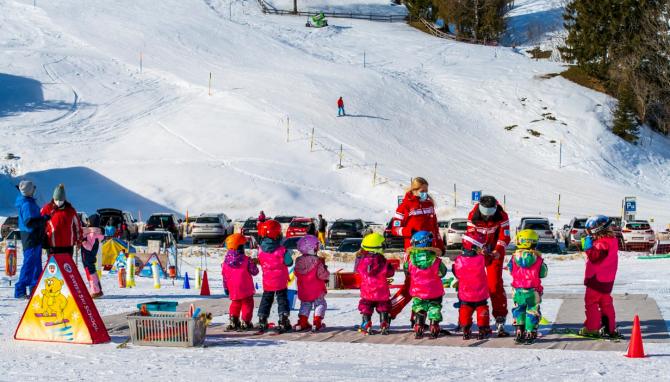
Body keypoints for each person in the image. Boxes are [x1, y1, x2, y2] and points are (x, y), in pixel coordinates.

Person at [467, 194, 511, 336]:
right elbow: (471, 236)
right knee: (472, 284)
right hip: (478, 253)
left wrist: (498, 250)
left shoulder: (502, 215)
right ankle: (467, 318)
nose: (487, 218)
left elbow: (505, 236)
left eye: (490, 215)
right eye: (484, 215)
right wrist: (477, 249)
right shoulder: (472, 215)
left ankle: (500, 315)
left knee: (494, 284)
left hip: (495, 253)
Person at [579, 215, 621, 339]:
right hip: (607, 281)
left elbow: (595, 257)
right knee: (606, 303)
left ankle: (592, 328)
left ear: (596, 230)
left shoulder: (602, 243)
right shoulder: (612, 241)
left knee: (591, 303)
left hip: (596, 280)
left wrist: (588, 247)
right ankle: (610, 328)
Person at [403, 231, 447, 339]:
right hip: (434, 291)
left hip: (417, 291)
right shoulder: (436, 261)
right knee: (434, 307)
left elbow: (406, 271)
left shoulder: (410, 260)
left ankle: (418, 326)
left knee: (419, 307)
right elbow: (443, 272)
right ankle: (434, 326)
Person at [508, 229, 548, 344]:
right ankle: (530, 332)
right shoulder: (538, 259)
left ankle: (519, 331)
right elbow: (543, 273)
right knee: (532, 310)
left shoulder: (514, 258)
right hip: (533, 291)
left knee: (519, 309)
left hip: (518, 290)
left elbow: (511, 270)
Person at [453, 230, 491, 340]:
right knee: (482, 308)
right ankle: (483, 328)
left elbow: (457, 273)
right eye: (480, 247)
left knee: (465, 309)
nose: (482, 249)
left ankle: (465, 328)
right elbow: (489, 261)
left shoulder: (459, 260)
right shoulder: (481, 258)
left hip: (465, 293)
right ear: (474, 247)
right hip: (481, 293)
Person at [256, 219, 293, 333]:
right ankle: (283, 319)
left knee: (266, 298)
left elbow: (260, 261)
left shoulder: (260, 250)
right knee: (282, 299)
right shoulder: (282, 250)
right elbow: (289, 262)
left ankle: (262, 319)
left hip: (267, 279)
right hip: (280, 280)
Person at [355, 233, 395, 335]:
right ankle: (384, 324)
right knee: (383, 307)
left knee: (366, 307)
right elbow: (390, 273)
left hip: (367, 291)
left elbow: (357, 270)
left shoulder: (361, 260)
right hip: (382, 292)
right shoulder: (382, 261)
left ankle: (366, 323)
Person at [14, 180, 47, 299]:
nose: (34, 189)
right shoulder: (27, 204)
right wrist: (44, 219)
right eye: (33, 188)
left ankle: (35, 288)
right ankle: (20, 290)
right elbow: (29, 222)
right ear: (29, 191)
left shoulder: (28, 201)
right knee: (29, 264)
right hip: (30, 237)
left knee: (36, 264)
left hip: (34, 237)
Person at [391, 177, 444, 251]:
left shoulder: (429, 205)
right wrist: (411, 231)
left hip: (430, 248)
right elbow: (395, 229)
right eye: (422, 191)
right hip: (413, 248)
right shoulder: (404, 206)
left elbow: (435, 228)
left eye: (426, 191)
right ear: (414, 190)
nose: (425, 194)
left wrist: (440, 247)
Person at [222, 234, 259, 331]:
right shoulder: (246, 260)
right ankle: (246, 321)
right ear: (240, 247)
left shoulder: (225, 262)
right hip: (246, 288)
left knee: (235, 303)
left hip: (233, 288)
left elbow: (224, 277)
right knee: (247, 304)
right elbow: (255, 272)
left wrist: (226, 288)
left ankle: (234, 320)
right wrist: (254, 263)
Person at [293, 235, 330, 332]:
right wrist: (326, 273)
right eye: (316, 246)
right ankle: (317, 322)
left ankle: (302, 322)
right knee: (320, 304)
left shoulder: (298, 261)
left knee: (305, 304)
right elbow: (322, 275)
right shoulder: (317, 261)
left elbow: (296, 273)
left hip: (304, 290)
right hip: (317, 290)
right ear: (312, 248)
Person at [41, 184, 82, 256]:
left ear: (64, 199)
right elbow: (40, 224)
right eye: (56, 199)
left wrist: (79, 240)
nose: (58, 202)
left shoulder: (70, 210)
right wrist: (41, 241)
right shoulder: (47, 208)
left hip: (68, 246)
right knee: (54, 266)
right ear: (53, 198)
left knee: (66, 266)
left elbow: (78, 226)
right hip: (52, 245)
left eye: (61, 200)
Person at [81, 214, 105, 298]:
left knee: (90, 272)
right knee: (92, 271)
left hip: (87, 255)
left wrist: (83, 241)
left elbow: (89, 247)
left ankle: (95, 290)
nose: (87, 223)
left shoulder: (92, 234)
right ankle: (96, 289)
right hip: (89, 256)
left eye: (88, 221)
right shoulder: (94, 232)